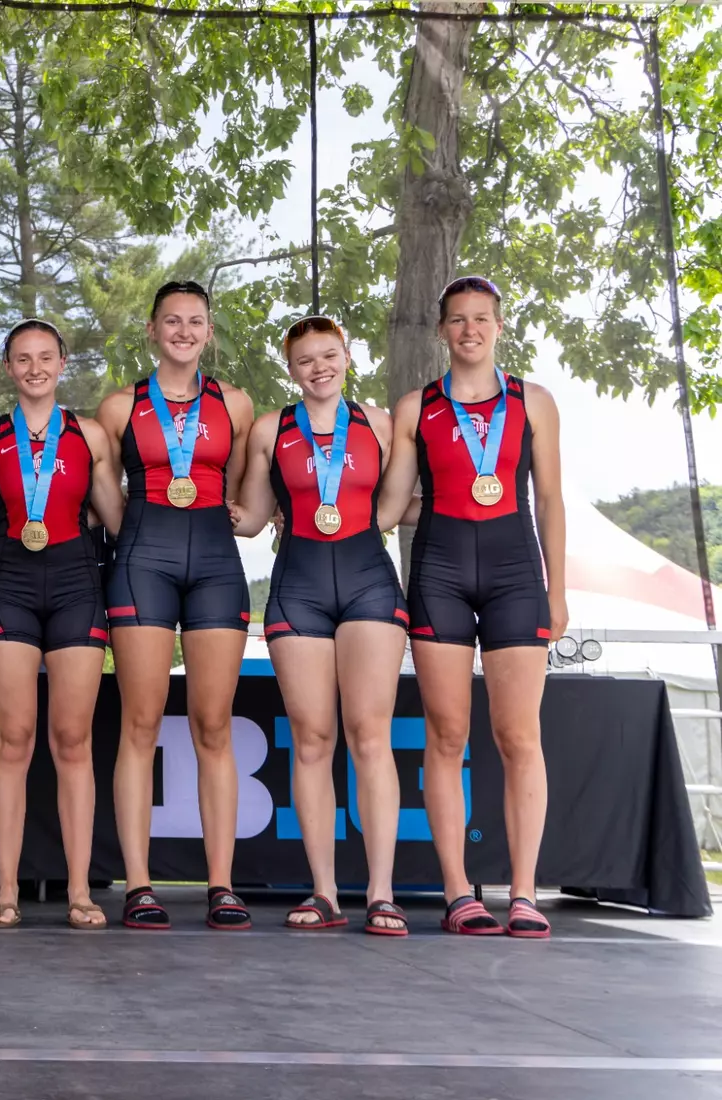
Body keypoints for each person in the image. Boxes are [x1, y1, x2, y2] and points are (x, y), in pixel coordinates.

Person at [377, 275, 565, 939]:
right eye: (457, 320)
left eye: (481, 318)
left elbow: (550, 502)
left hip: (516, 574)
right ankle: (459, 890)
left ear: (499, 325)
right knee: (447, 734)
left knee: (518, 736)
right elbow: (390, 506)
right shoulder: (413, 408)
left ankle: (523, 892)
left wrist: (558, 589)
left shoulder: (533, 402)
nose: (469, 330)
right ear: (441, 331)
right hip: (440, 571)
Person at [0, 319, 122, 930]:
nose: (35, 367)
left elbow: (118, 520)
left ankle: (80, 892)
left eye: (46, 357)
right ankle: (7, 891)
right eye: (23, 358)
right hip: (9, 589)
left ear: (62, 363)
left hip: (75, 587)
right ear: (9, 368)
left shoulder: (90, 434)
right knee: (12, 741)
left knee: (73, 741)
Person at [229, 315, 408, 934]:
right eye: (305, 360)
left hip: (368, 583)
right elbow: (249, 518)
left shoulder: (379, 425)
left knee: (369, 735)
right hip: (298, 587)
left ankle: (382, 892)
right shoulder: (269, 429)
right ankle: (325, 892)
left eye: (328, 355)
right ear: (291, 369)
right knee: (311, 740)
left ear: (347, 357)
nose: (319, 367)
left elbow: (396, 504)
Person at [94, 280, 255, 930]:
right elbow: (107, 500)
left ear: (208, 331)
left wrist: (243, 514)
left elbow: (243, 489)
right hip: (143, 562)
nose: (183, 331)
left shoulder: (236, 405)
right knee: (141, 723)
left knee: (213, 726)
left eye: (195, 321)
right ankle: (139, 884)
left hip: (216, 563)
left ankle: (221, 884)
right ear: (153, 331)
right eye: (171, 321)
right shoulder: (117, 407)